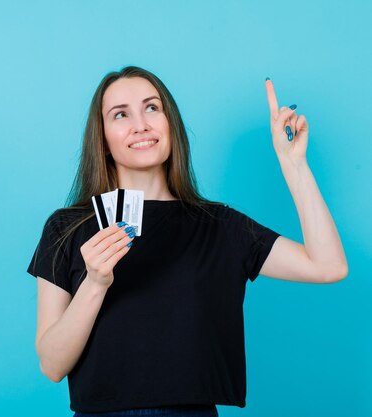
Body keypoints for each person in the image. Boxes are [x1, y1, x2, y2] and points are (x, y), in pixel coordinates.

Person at [26, 66, 348, 417]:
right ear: (101, 139)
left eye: (152, 108)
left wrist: (294, 164)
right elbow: (52, 365)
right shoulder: (67, 228)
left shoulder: (221, 226)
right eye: (120, 114)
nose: (141, 124)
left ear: (170, 124)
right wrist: (95, 283)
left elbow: (328, 265)